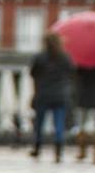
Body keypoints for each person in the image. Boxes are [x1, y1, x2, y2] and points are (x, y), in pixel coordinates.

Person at [28, 33, 74, 162]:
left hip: (43, 94)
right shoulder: (65, 58)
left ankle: (37, 147)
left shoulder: (40, 57)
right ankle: (58, 150)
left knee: (39, 123)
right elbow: (71, 73)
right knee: (59, 123)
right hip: (60, 95)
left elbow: (32, 73)